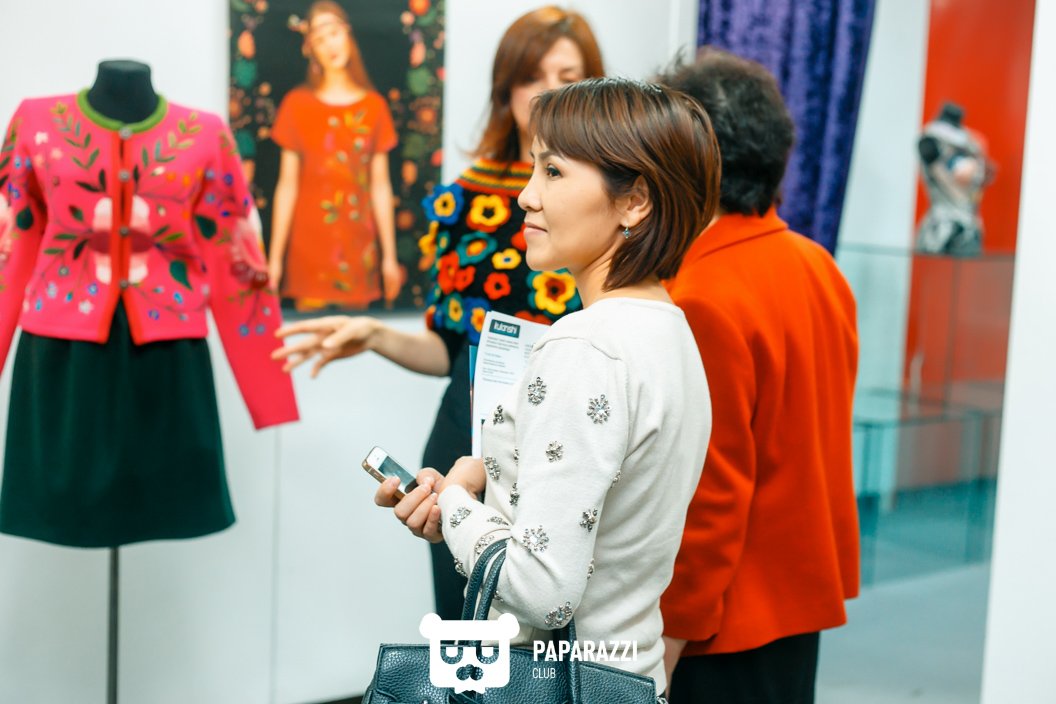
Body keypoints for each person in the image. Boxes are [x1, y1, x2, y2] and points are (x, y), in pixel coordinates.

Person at [375, 77, 721, 697]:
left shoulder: (584, 347)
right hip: (628, 678)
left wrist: (452, 504)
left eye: (554, 172)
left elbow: (541, 590)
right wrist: (484, 481)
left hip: (555, 684)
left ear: (635, 201)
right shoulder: (669, 330)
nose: (526, 196)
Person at [272, 7, 604, 620]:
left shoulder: (606, 202)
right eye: (532, 77)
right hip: (470, 434)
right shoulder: (466, 199)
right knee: (468, 635)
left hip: (568, 439)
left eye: (568, 77)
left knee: (557, 633)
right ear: (505, 91)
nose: (548, 94)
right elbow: (452, 350)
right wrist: (374, 334)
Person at [655, 48, 860, 703]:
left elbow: (710, 495)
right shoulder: (818, 265)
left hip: (725, 621)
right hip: (798, 598)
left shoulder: (701, 297)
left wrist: (669, 637)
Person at [269, 0, 401, 310]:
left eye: (334, 33)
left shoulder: (373, 107)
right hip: (308, 249)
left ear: (348, 34)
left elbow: (380, 186)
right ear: (309, 49)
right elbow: (287, 186)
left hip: (358, 248)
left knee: (358, 332)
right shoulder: (297, 104)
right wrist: (274, 260)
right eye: (319, 38)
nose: (330, 45)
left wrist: (389, 258)